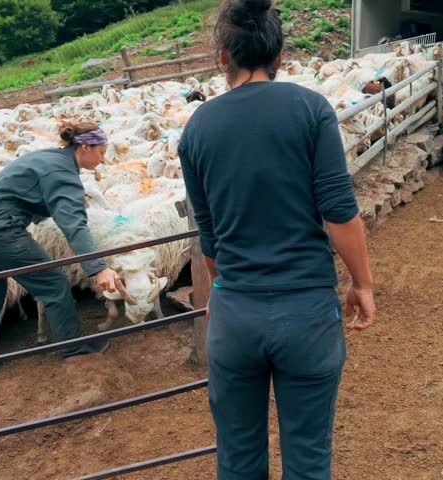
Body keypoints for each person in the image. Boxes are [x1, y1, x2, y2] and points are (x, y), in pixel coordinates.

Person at [177, 0, 376, 478]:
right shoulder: (310, 110)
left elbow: (209, 237)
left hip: (234, 319)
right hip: (306, 312)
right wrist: (362, 284)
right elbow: (339, 213)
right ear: (280, 56)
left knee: (239, 458)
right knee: (308, 457)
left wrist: (224, 293)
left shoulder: (198, 127)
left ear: (223, 56)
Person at [0, 122, 123, 377]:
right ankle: (74, 349)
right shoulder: (62, 173)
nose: (103, 159)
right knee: (54, 284)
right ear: (84, 147)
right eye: (101, 152)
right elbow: (74, 225)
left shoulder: (49, 157)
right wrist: (98, 267)